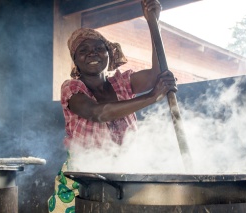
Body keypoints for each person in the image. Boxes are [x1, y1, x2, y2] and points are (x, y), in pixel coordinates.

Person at [48, 0, 177, 212]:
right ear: (75, 59)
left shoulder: (122, 82)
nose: (93, 53)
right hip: (83, 178)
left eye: (100, 48)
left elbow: (156, 74)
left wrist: (153, 23)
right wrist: (153, 97)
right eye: (84, 50)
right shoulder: (72, 88)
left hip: (123, 173)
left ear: (109, 54)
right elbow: (98, 113)